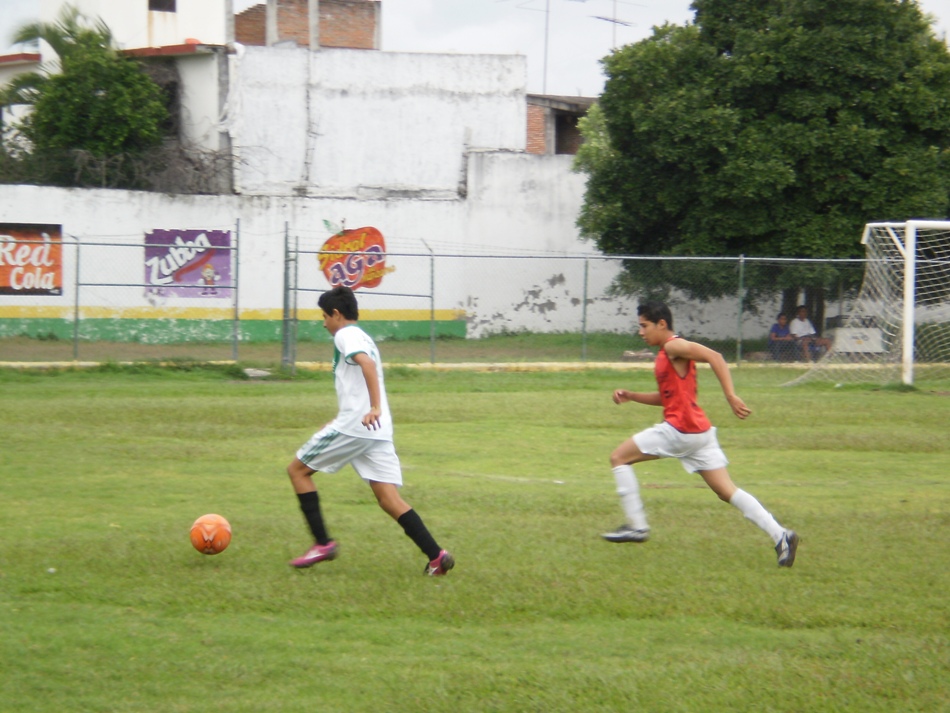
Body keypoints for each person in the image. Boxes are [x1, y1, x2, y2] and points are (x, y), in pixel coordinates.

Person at [602, 301, 799, 567]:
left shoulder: (672, 346)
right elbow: (667, 398)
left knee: (618, 458)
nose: (641, 332)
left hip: (679, 430)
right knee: (727, 491)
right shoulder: (666, 353)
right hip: (700, 434)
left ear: (662, 324)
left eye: (644, 326)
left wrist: (730, 396)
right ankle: (781, 535)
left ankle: (637, 526)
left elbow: (715, 356)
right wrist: (632, 395)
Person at [286, 285, 454, 576]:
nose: (323, 323)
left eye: (324, 316)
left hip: (360, 425)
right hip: (377, 429)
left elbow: (366, 364)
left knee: (297, 471)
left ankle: (322, 543)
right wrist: (357, 414)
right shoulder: (363, 336)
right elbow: (358, 381)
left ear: (336, 314)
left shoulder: (345, 335)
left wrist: (373, 407)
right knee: (389, 499)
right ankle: (436, 556)